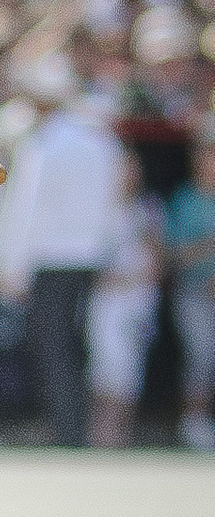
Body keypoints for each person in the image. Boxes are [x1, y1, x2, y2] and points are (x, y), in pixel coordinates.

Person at [0, 50, 126, 445]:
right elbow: (115, 202)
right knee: (78, 346)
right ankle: (75, 427)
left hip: (51, 259)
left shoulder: (44, 144)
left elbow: (26, 210)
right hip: (89, 258)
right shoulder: (100, 140)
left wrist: (11, 267)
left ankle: (66, 430)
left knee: (53, 348)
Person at [83, 147, 163, 448]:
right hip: (106, 303)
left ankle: (120, 437)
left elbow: (157, 258)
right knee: (104, 370)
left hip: (138, 302)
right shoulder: (99, 209)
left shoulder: (148, 208)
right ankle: (100, 435)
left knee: (130, 371)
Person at [168, 127, 215, 451]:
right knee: (200, 359)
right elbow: (176, 255)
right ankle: (194, 424)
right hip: (195, 294)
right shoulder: (184, 200)